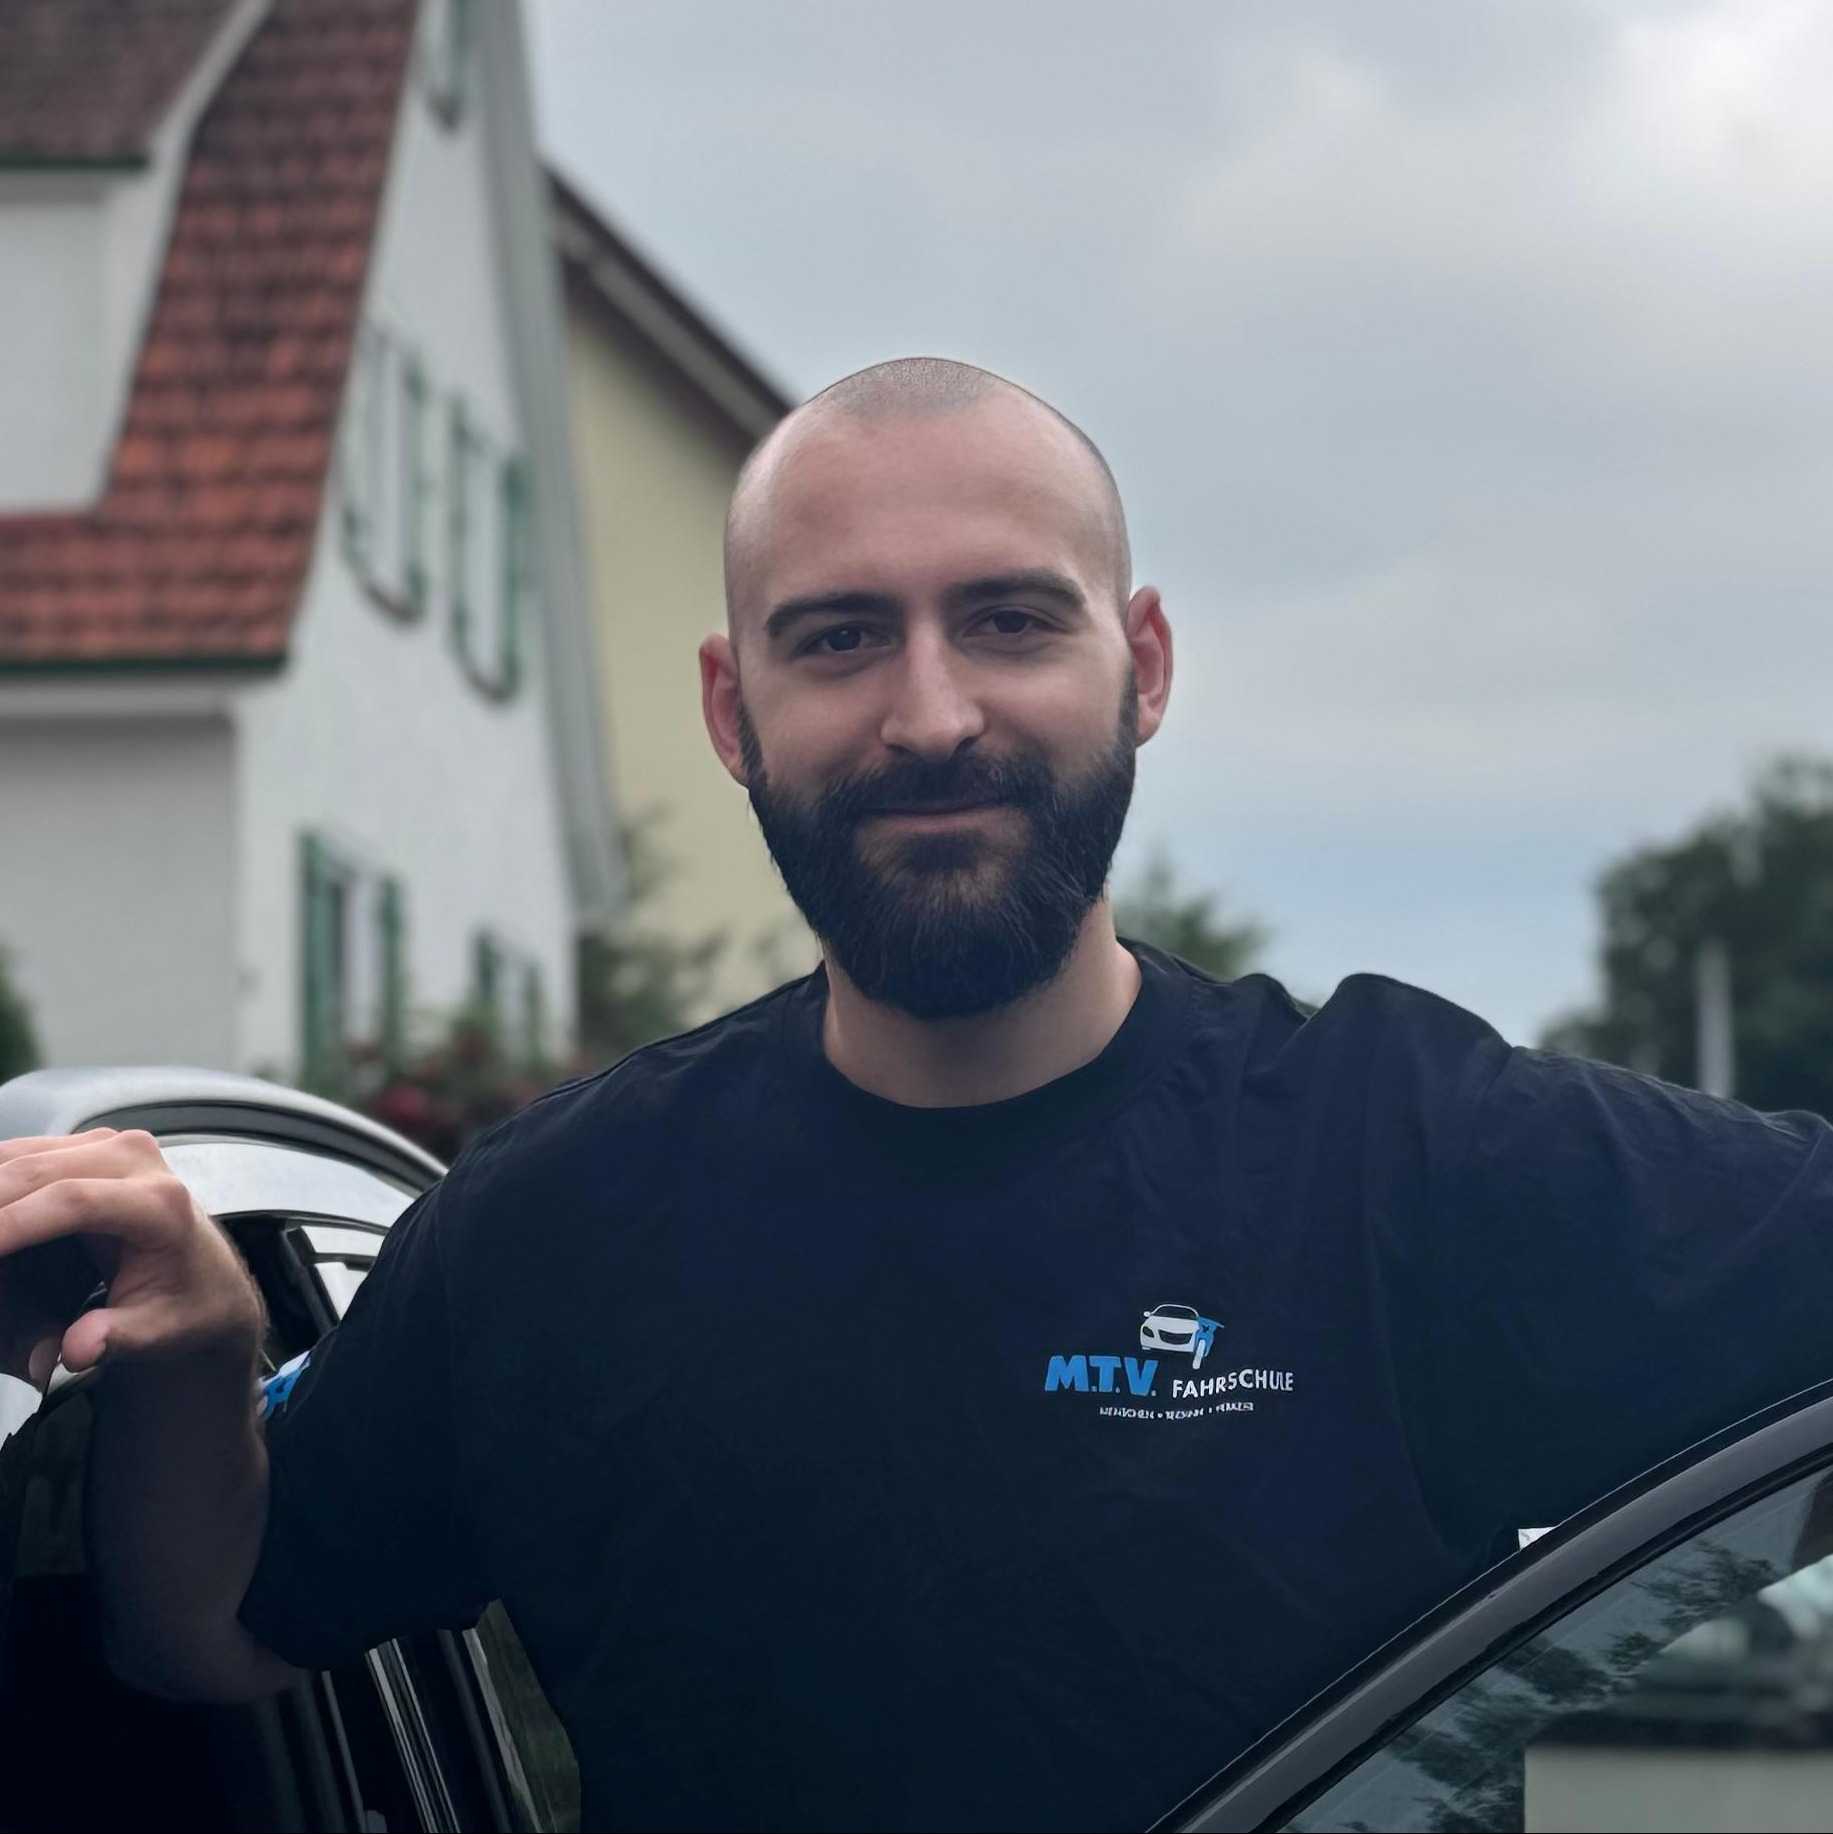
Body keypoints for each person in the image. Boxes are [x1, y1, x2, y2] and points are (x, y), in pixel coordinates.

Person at [2, 356, 1832, 1833]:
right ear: (731, 710)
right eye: (839, 637)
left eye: (1011, 620)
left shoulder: (1410, 1150)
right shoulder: (554, 1227)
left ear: (1144, 667)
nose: (933, 712)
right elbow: (213, 1629)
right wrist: (201, 1343)